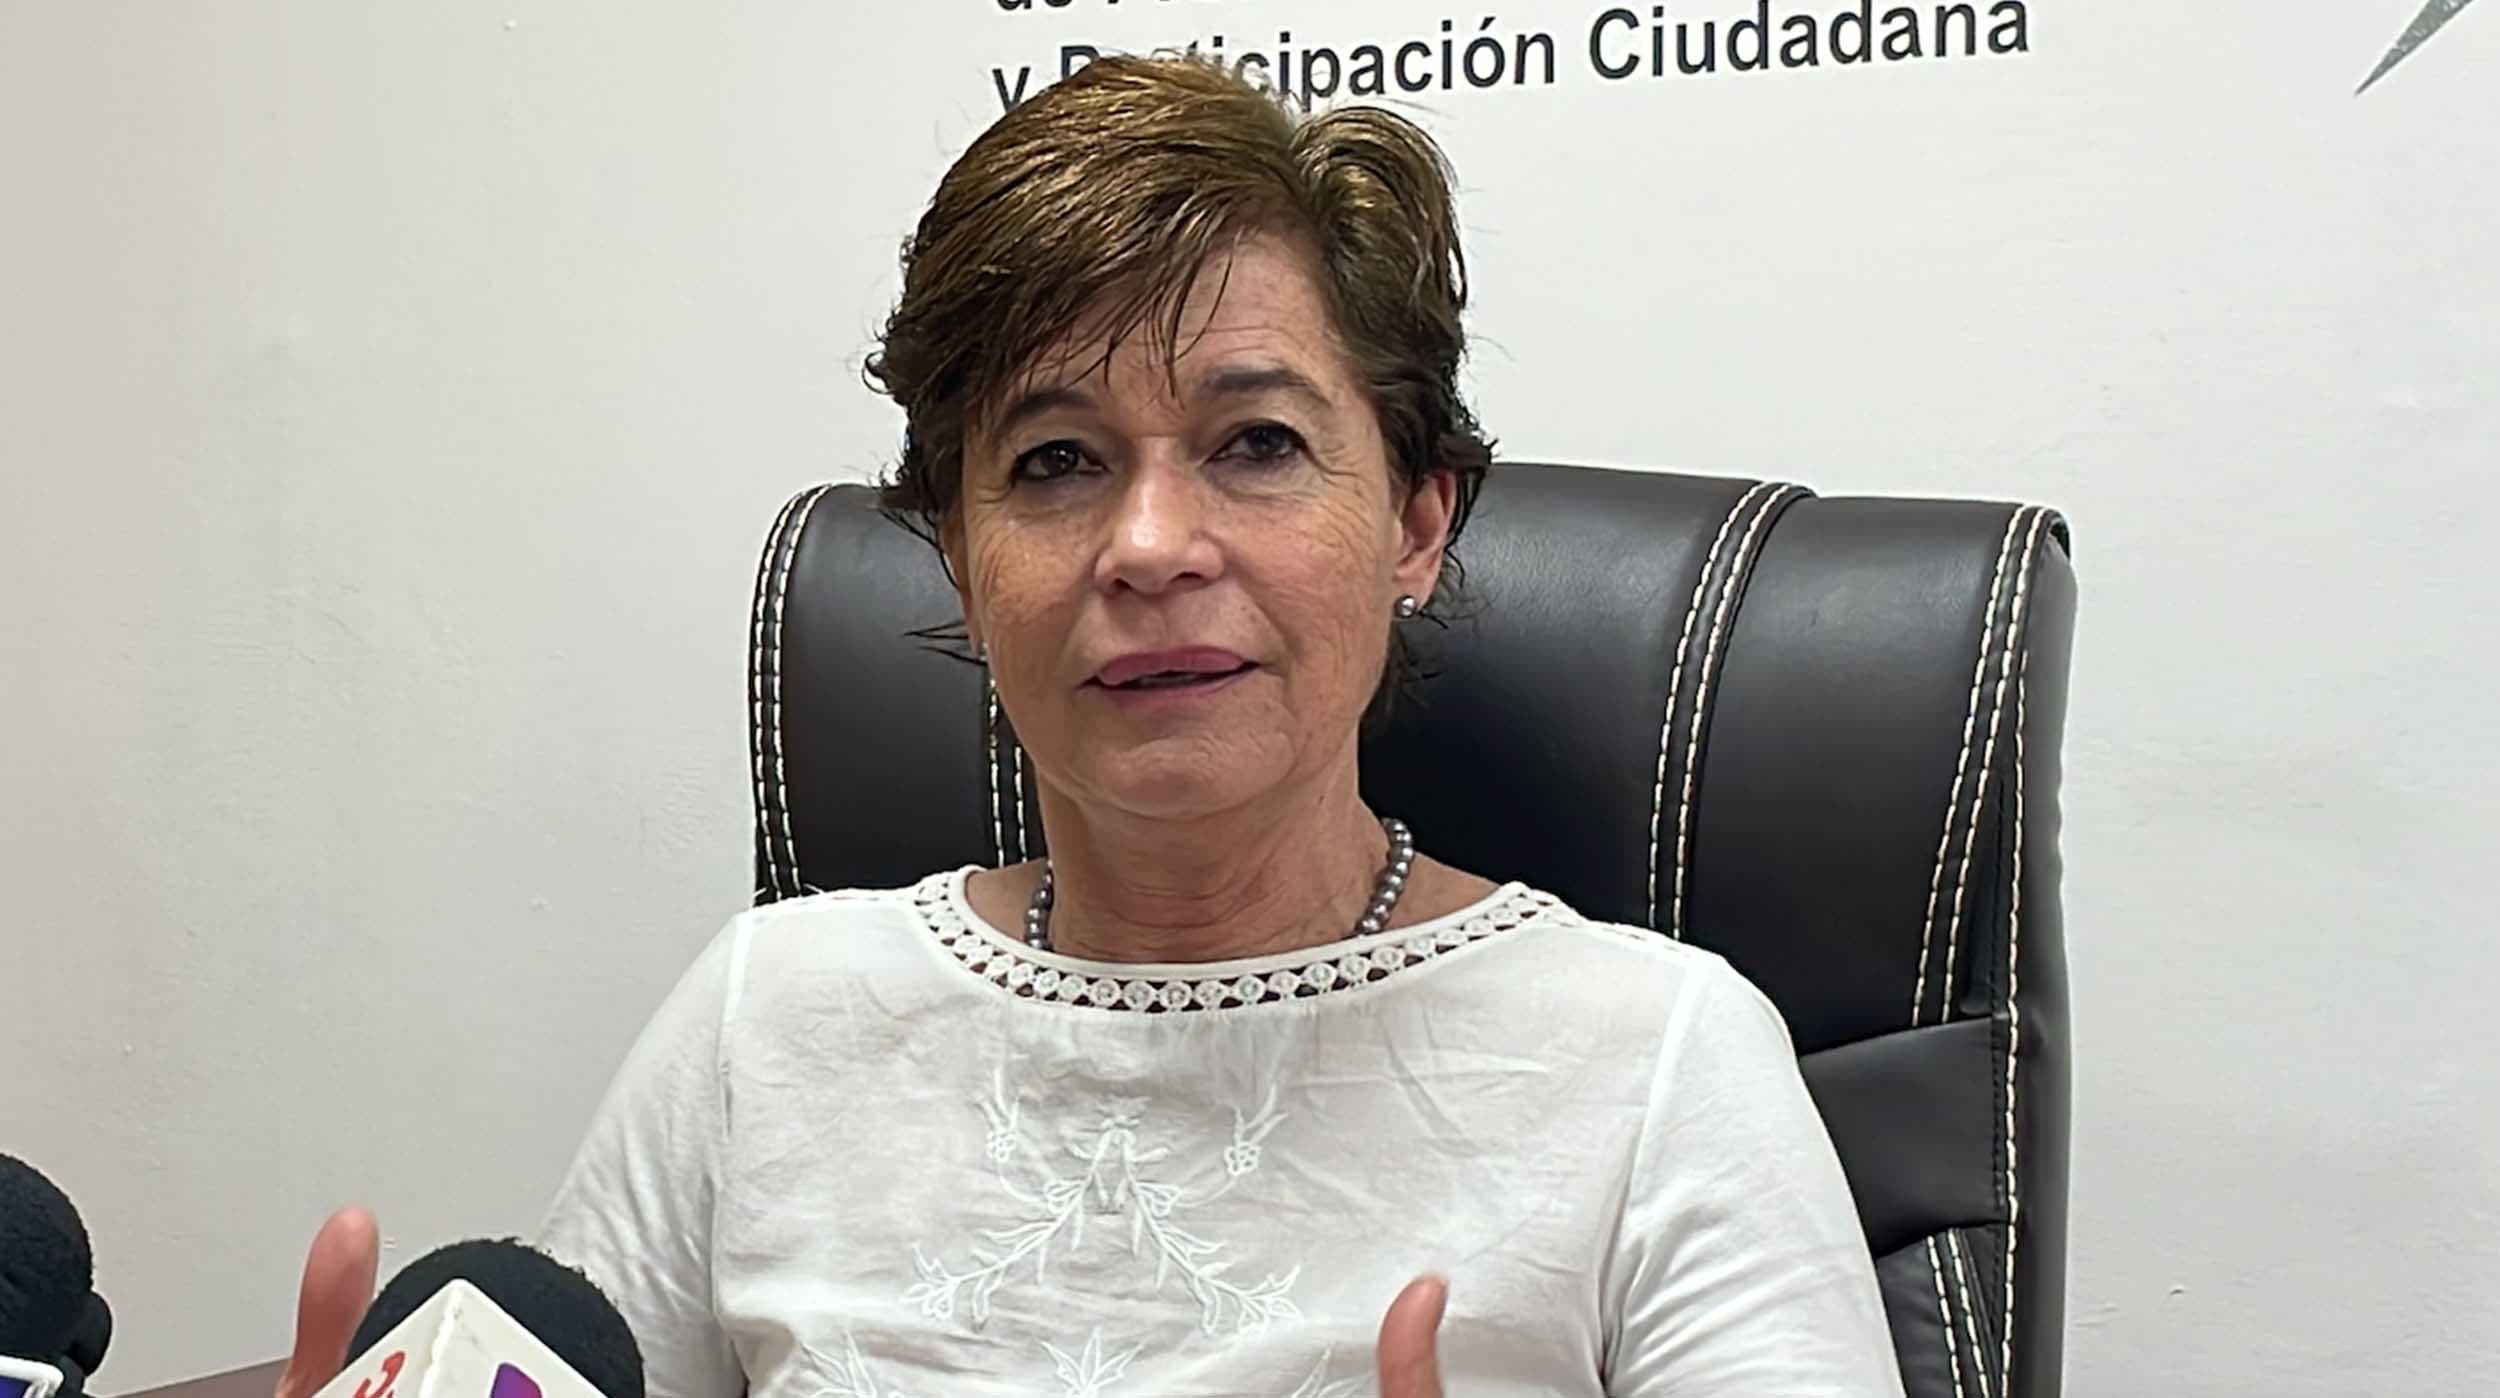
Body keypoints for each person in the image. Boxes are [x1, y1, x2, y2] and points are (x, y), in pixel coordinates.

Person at [276, 55, 1902, 1398]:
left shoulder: (1662, 1064)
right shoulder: (766, 1021)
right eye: (1055, 461)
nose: (1150, 545)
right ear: (961, 556)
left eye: (1256, 443)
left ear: (1416, 520)